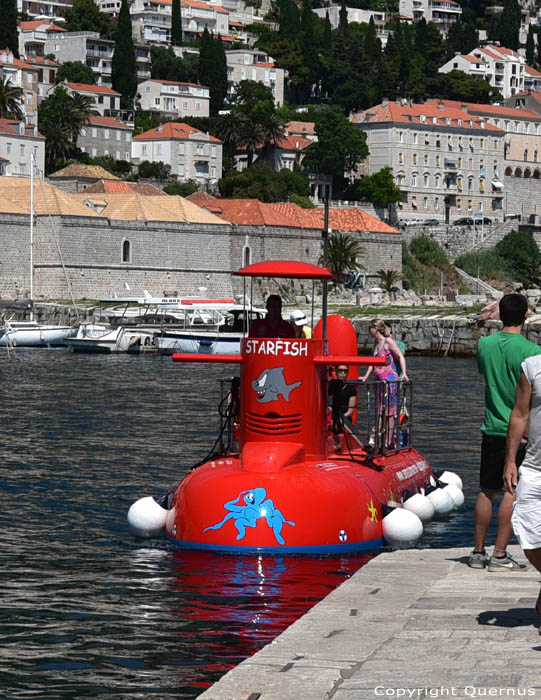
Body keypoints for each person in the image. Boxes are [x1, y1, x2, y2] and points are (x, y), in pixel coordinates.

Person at [469, 293, 541, 571]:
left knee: (486, 491)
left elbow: (484, 375)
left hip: (491, 426)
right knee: (511, 492)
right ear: (526, 316)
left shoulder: (485, 344)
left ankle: (477, 552)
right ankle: (500, 554)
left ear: (499, 315)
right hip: (520, 433)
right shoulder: (532, 352)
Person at [504, 354, 541, 632]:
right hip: (535, 467)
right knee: (528, 536)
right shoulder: (532, 367)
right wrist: (510, 461)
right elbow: (519, 413)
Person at [360, 319, 408, 448]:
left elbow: (400, 356)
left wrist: (404, 373)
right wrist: (365, 376)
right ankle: (382, 439)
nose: (369, 330)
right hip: (379, 382)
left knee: (389, 413)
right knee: (381, 410)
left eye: (370, 327)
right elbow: (373, 362)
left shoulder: (388, 342)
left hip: (389, 381)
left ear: (376, 329)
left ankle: (389, 440)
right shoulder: (376, 343)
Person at [328, 365, 357, 451]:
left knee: (338, 425)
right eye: (340, 371)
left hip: (345, 419)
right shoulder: (332, 385)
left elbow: (350, 411)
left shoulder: (351, 388)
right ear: (336, 372)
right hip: (334, 417)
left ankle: (339, 445)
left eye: (345, 371)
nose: (342, 373)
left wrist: (340, 418)